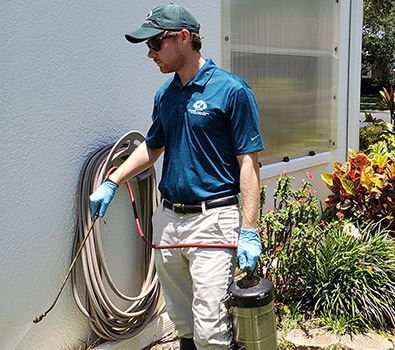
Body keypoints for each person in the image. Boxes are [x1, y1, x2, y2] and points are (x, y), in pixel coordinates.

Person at [89, 4, 264, 350]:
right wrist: (112, 180)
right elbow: (153, 146)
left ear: (184, 38)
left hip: (213, 220)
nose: (150, 53)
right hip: (168, 219)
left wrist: (249, 230)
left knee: (212, 331)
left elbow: (249, 163)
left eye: (155, 43)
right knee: (182, 322)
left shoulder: (231, 91)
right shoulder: (165, 96)